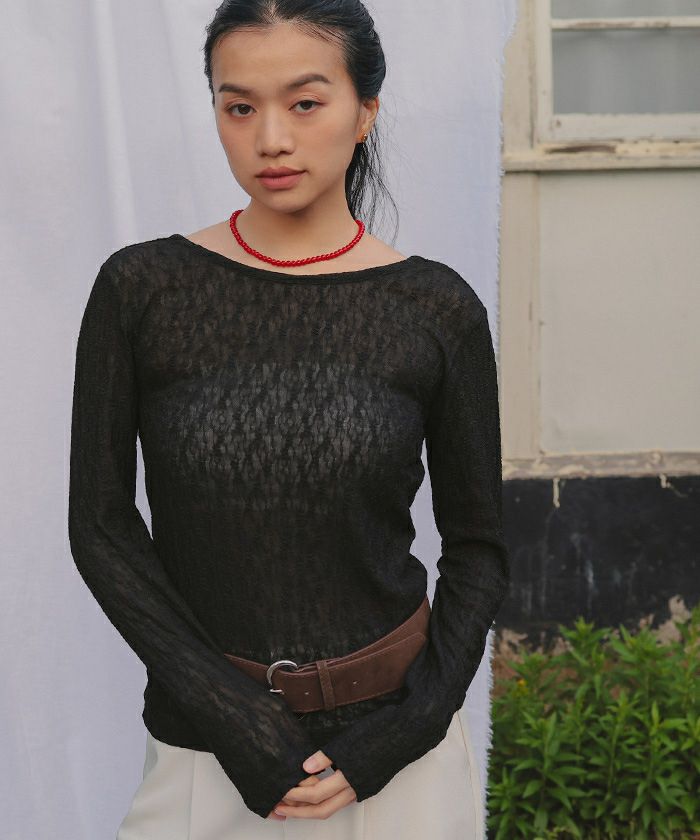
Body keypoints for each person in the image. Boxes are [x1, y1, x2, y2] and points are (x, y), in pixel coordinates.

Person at [68, 1, 510, 837]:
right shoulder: (141, 290)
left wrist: (405, 732)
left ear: (365, 110)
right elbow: (100, 527)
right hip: (205, 755)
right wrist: (233, 717)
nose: (271, 138)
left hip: (399, 768)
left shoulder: (435, 307)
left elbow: (479, 550)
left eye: (305, 103)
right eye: (239, 107)